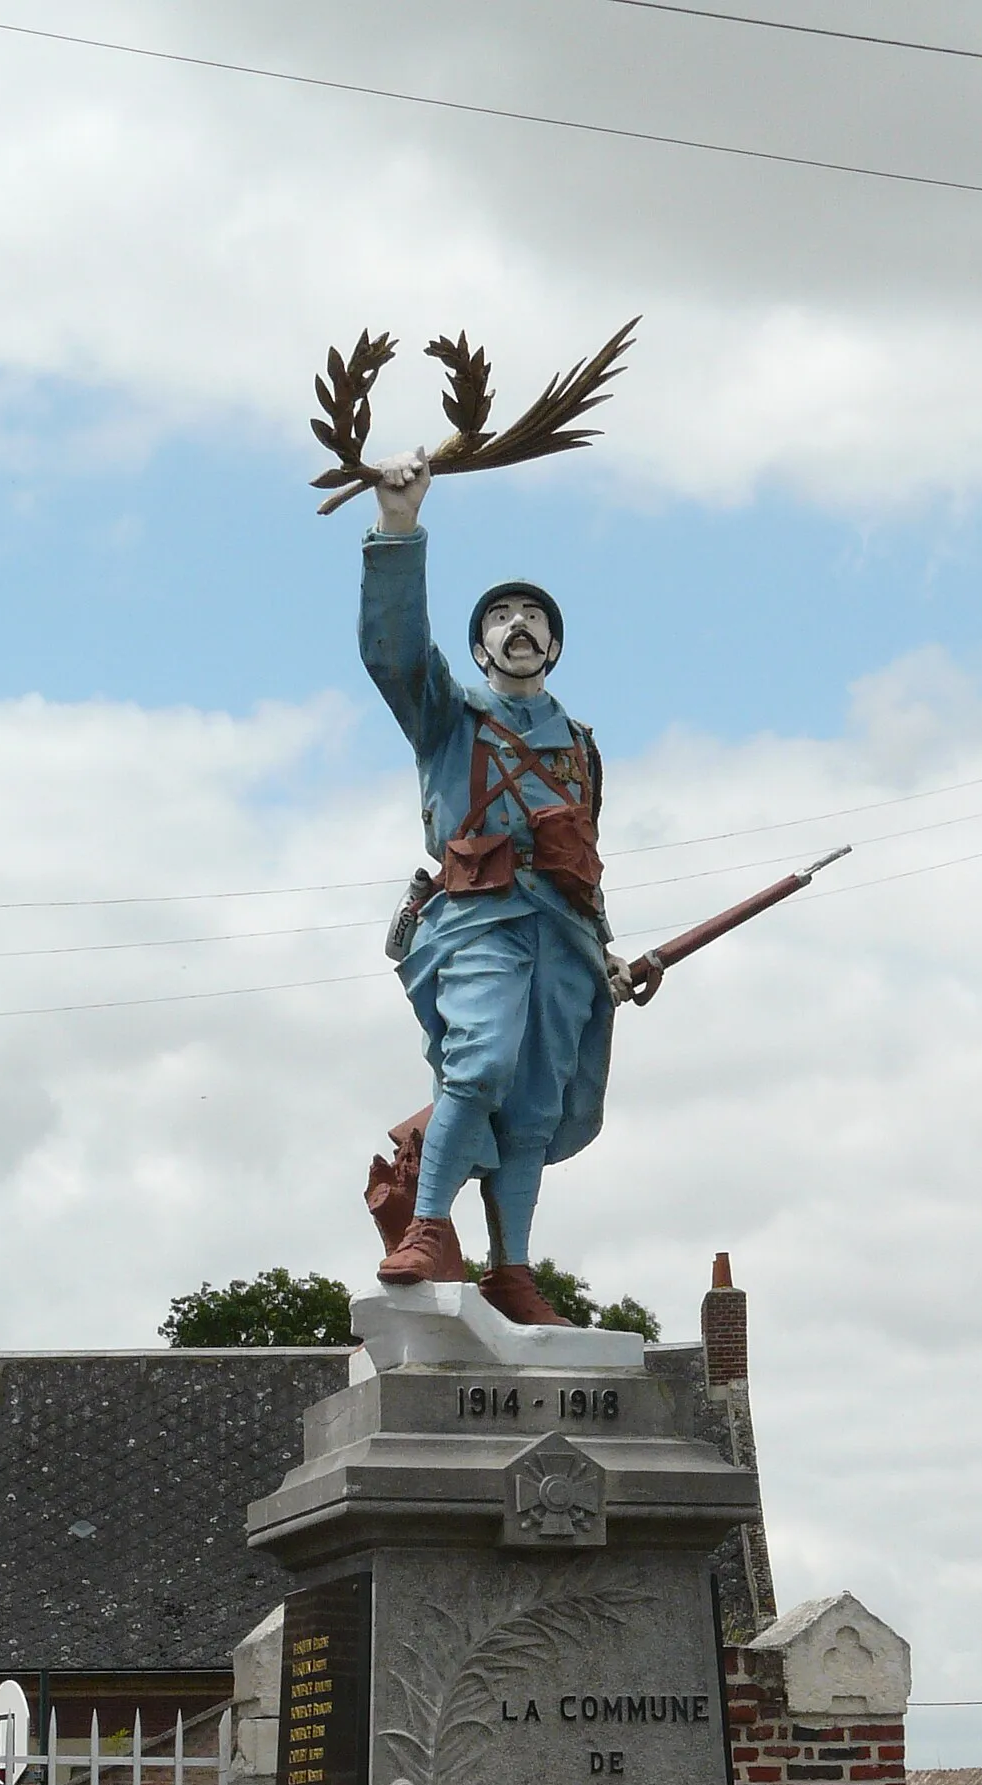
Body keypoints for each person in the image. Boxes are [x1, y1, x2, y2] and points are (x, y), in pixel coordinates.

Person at [356, 442, 653, 1325]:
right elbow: (396, 654)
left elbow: (585, 861)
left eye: (534, 617)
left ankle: (512, 1271)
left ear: (554, 644)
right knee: (478, 1063)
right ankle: (432, 1228)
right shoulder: (449, 716)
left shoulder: (582, 744)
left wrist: (609, 957)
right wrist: (398, 527)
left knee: (532, 1107)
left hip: (562, 935)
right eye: (501, 617)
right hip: (478, 918)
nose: (518, 626)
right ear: (480, 642)